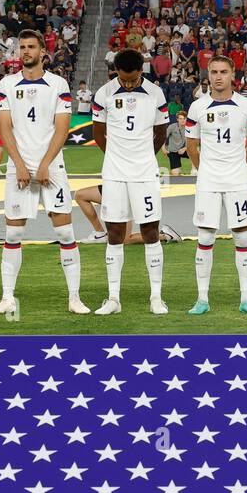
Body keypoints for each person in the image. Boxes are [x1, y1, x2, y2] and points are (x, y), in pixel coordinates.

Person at [0, 29, 84, 316]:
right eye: (22, 47)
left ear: (43, 51)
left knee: (65, 232)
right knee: (14, 233)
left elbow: (62, 127)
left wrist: (44, 164)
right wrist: (19, 163)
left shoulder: (58, 84)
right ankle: (7, 297)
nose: (26, 51)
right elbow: (4, 127)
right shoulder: (6, 84)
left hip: (51, 166)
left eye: (31, 47)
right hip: (18, 166)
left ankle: (74, 298)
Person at [92, 47, 170, 315]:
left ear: (141, 72)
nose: (127, 84)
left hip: (145, 173)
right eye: (123, 79)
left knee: (150, 232)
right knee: (115, 234)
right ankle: (113, 298)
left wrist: (143, 155)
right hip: (114, 173)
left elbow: (160, 132)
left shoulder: (155, 93)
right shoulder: (104, 93)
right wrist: (117, 157)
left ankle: (156, 297)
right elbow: (98, 133)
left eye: (132, 79)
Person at [184, 55, 247, 316]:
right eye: (214, 72)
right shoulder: (197, 107)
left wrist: (239, 167)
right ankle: (202, 299)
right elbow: (191, 146)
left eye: (224, 71)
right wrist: (206, 168)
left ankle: (246, 298)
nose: (218, 77)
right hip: (208, 180)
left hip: (238, 179)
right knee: (205, 237)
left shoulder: (246, 106)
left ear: (233, 75)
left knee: (242, 236)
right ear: (208, 75)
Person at [165, 110, 188, 175]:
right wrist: (163, 149)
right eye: (180, 118)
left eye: (184, 118)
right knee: (175, 173)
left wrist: (184, 148)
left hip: (185, 149)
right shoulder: (172, 127)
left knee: (196, 152)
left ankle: (194, 170)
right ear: (177, 119)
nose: (182, 120)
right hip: (174, 151)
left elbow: (194, 142)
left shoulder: (190, 127)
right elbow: (163, 138)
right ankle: (175, 170)